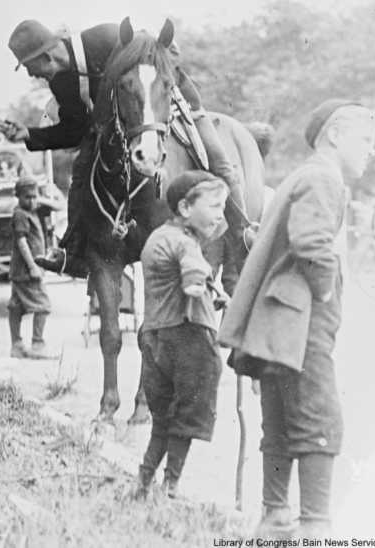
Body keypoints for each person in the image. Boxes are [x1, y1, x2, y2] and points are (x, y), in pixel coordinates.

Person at [218, 100, 375, 539]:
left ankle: (274, 516)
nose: (371, 151)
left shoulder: (302, 175)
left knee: (281, 421)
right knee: (320, 419)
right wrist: (326, 288)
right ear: (332, 136)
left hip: (278, 322)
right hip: (300, 321)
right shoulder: (324, 178)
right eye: (364, 140)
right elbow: (311, 243)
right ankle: (315, 527)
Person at [4, 19, 249, 278]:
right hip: (126, 126)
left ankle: (243, 231)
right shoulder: (61, 83)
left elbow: (157, 52)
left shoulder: (106, 37)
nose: (32, 75)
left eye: (30, 67)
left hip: (171, 97)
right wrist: (29, 134)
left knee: (217, 160)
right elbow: (74, 131)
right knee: (82, 166)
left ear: (45, 56)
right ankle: (73, 250)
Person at [136, 170, 229, 500]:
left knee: (162, 419)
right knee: (186, 416)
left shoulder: (160, 236)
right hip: (187, 338)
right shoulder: (185, 242)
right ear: (186, 208)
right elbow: (193, 272)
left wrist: (210, 293)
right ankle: (171, 485)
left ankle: (143, 481)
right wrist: (198, 284)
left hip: (155, 336)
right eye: (215, 206)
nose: (220, 215)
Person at [8, 176, 60, 359]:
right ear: (18, 197)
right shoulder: (20, 214)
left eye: (33, 196)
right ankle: (37, 345)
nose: (31, 200)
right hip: (25, 270)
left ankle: (16, 345)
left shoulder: (34, 210)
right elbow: (22, 242)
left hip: (21, 271)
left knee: (16, 306)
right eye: (27, 197)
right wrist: (32, 267)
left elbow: (59, 206)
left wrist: (39, 199)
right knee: (43, 305)